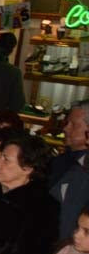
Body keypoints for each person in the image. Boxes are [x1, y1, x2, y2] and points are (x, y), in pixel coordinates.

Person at [49, 100, 89, 239]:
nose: (66, 129)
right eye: (67, 123)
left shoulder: (83, 169)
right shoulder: (61, 160)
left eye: (74, 125)